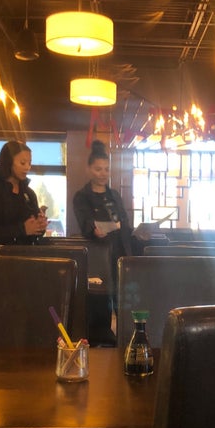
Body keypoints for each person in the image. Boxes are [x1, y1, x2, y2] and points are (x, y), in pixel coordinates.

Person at [73, 140, 133, 345]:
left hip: (120, 256)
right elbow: (86, 223)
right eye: (98, 169)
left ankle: (126, 346)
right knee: (100, 307)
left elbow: (125, 223)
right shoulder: (82, 197)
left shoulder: (114, 195)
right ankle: (102, 348)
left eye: (106, 169)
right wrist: (95, 229)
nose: (103, 173)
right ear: (89, 169)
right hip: (98, 259)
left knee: (124, 307)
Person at [0, 140, 48, 254]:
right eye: (22, 163)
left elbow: (32, 233)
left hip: (26, 259)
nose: (27, 167)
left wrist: (39, 226)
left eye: (29, 163)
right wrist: (22, 229)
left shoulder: (29, 194)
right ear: (8, 162)